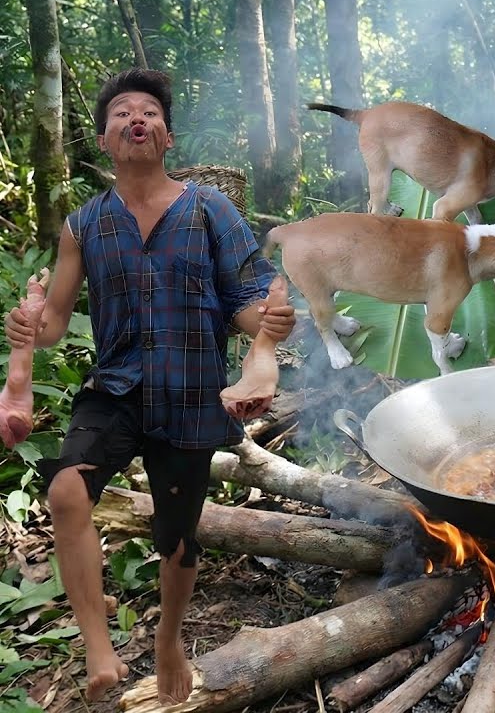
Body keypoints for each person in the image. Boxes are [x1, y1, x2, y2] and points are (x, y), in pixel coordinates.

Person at [3, 69, 295, 704]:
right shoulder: (84, 225)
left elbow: (246, 300)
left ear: (166, 136)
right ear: (106, 141)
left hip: (191, 390)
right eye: (120, 114)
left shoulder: (210, 209)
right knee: (66, 490)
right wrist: (30, 324)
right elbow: (53, 321)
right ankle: (98, 647)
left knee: (178, 537)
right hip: (116, 386)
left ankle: (168, 638)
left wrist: (266, 324)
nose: (136, 118)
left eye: (149, 112)